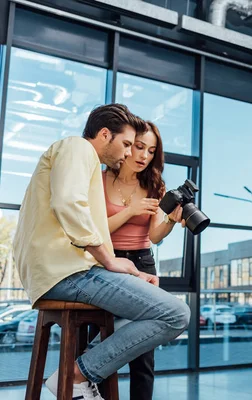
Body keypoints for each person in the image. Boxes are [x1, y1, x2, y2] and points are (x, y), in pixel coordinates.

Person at [12, 104, 191, 400]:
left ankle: (79, 375)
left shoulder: (87, 166)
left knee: (134, 320)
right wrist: (109, 260)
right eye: (125, 145)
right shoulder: (77, 147)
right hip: (69, 272)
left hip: (69, 269)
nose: (128, 154)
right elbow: (68, 205)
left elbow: (85, 220)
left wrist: (131, 270)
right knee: (176, 314)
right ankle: (76, 376)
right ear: (105, 134)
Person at [102, 120, 184, 400]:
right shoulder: (99, 179)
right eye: (138, 147)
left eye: (151, 151)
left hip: (142, 265)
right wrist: (130, 210)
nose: (143, 156)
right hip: (107, 262)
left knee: (144, 355)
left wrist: (171, 222)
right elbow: (94, 230)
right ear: (126, 144)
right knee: (103, 339)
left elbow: (154, 235)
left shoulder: (154, 185)